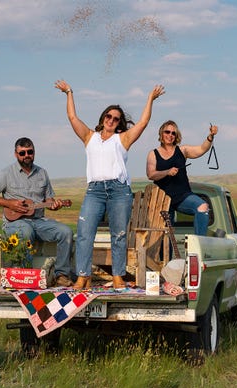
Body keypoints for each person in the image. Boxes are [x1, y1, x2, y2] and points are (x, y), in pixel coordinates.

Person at [54, 79, 165, 290]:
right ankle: (83, 277)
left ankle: (117, 276)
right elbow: (72, 117)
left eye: (116, 118)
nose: (111, 120)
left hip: (119, 191)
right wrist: (69, 91)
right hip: (95, 191)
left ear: (119, 122)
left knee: (119, 234)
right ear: (103, 117)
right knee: (85, 232)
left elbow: (142, 123)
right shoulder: (89, 137)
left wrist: (150, 98)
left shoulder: (122, 139)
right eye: (109, 116)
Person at [0, 137, 75, 287]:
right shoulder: (6, 173)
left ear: (34, 152)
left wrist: (55, 204)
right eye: (22, 153)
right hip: (15, 222)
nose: (26, 155)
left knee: (66, 232)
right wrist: (9, 203)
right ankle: (25, 277)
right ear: (16, 154)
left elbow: (49, 199)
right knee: (25, 231)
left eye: (29, 152)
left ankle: (61, 275)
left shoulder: (42, 173)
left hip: (39, 221)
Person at [146, 120, 218, 236]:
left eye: (173, 133)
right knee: (166, 236)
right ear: (161, 133)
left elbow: (201, 149)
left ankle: (198, 243)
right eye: (167, 132)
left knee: (202, 206)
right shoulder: (153, 154)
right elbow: (151, 174)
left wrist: (210, 137)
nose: (170, 135)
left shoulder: (182, 150)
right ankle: (167, 254)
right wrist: (167, 172)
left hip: (183, 196)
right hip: (163, 199)